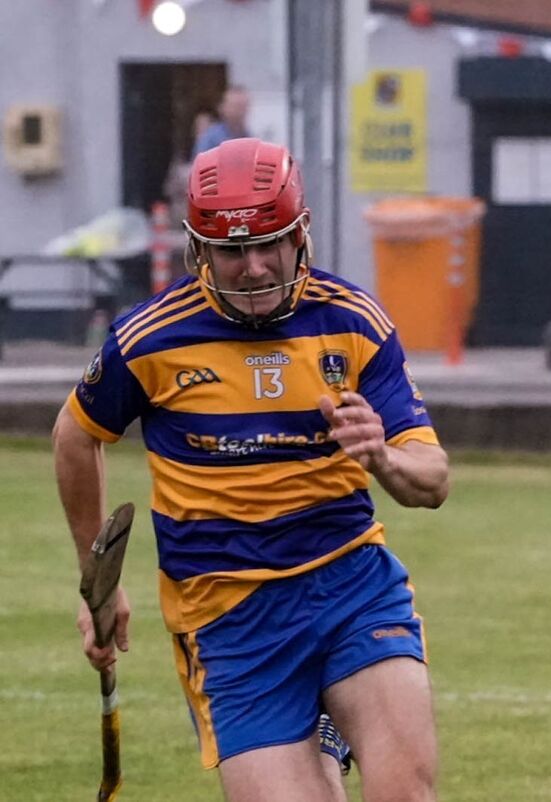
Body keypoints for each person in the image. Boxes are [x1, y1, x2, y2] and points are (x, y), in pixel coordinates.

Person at [54, 137, 448, 801]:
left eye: (272, 243)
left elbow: (433, 479)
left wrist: (381, 455)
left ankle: (328, 718)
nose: (256, 268)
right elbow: (75, 437)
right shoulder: (149, 340)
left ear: (303, 235)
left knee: (404, 792)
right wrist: (96, 579)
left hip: (351, 585)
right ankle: (318, 732)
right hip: (228, 616)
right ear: (199, 250)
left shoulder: (353, 321)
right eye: (233, 251)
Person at [193, 85, 252, 158]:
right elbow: (199, 165)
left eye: (243, 106)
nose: (240, 111)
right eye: (236, 106)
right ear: (222, 108)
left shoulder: (250, 137)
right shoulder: (210, 138)